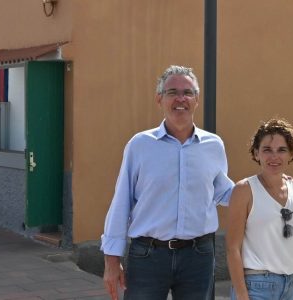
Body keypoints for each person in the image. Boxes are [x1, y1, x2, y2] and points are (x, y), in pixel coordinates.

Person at [100, 65, 235, 300]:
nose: (180, 98)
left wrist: (265, 187)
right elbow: (121, 202)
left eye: (188, 92)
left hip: (198, 256)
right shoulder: (140, 145)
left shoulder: (214, 145)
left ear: (196, 100)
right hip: (148, 256)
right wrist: (112, 261)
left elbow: (223, 191)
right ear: (159, 99)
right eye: (172, 92)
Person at [226, 118, 293, 300]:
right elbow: (232, 248)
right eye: (267, 150)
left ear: (291, 154)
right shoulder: (244, 190)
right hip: (256, 287)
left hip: (290, 285)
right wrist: (242, 295)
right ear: (256, 153)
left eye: (282, 150)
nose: (274, 157)